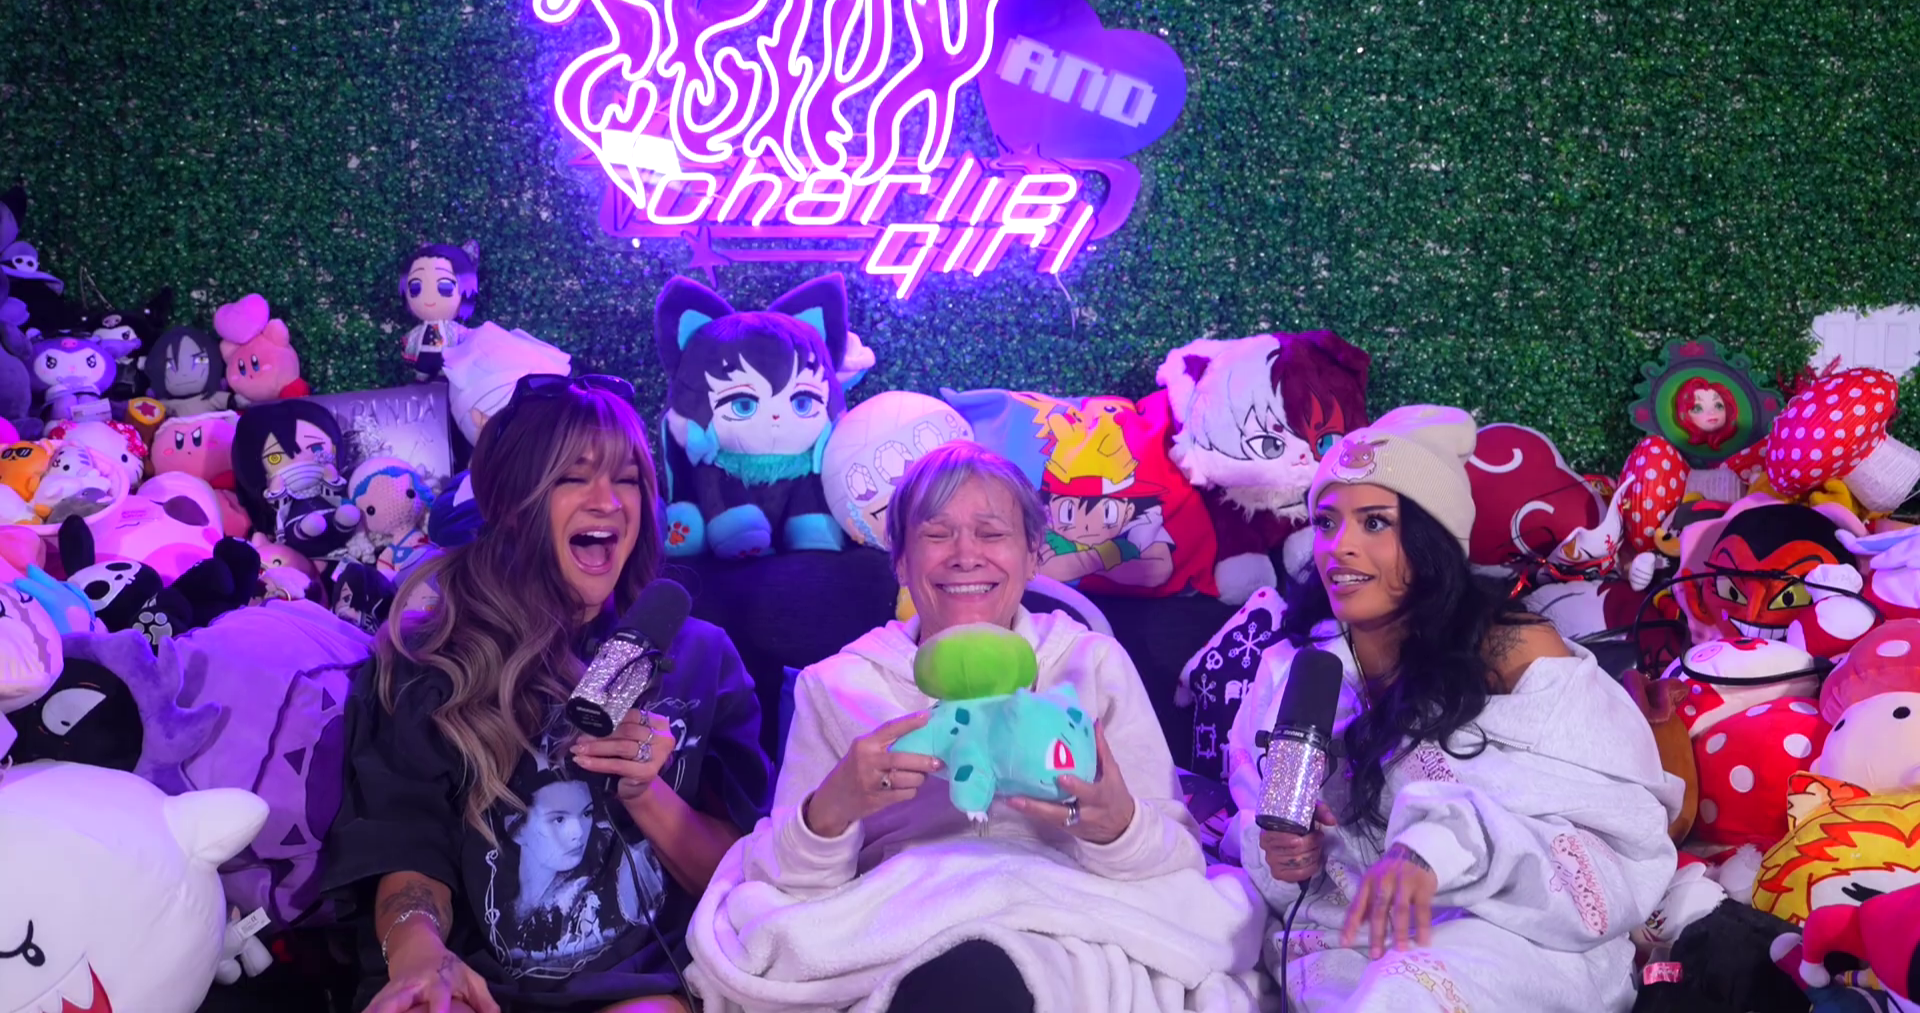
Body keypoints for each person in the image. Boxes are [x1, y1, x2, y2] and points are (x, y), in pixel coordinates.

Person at [686, 440, 1265, 1013]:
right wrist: (830, 812)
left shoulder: (1092, 664)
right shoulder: (836, 684)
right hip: (898, 924)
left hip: (1069, 916)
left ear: (1033, 554)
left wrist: (1118, 827)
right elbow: (786, 882)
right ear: (901, 560)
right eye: (937, 534)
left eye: (991, 534)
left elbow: (1176, 858)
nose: (966, 556)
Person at [321, 375, 773, 1013]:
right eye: (572, 477)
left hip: (646, 993)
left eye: (626, 479)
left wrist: (647, 793)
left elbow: (746, 879)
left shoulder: (702, 658)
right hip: (480, 988)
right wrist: (420, 954)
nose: (607, 502)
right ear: (512, 503)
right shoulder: (430, 664)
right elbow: (406, 846)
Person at [1223, 405, 1682, 1012]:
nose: (1341, 547)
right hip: (1346, 941)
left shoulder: (1513, 650)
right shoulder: (1293, 670)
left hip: (1511, 937)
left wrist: (1442, 849)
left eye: (1375, 522)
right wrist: (1285, 853)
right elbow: (1258, 825)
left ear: (1431, 539)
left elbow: (1616, 828)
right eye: (1327, 522)